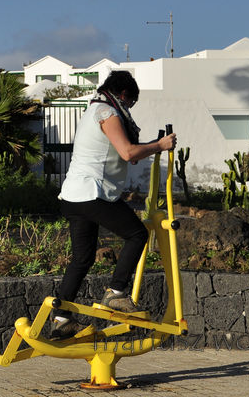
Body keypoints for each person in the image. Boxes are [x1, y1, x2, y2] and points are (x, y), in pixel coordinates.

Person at [50, 70, 176, 340]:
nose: (129, 108)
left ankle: (61, 320)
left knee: (82, 259)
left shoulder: (94, 109)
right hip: (91, 193)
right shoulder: (107, 112)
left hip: (73, 196)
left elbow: (127, 151)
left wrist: (152, 146)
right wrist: (160, 145)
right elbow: (128, 152)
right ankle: (116, 293)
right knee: (137, 234)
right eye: (130, 103)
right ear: (123, 94)